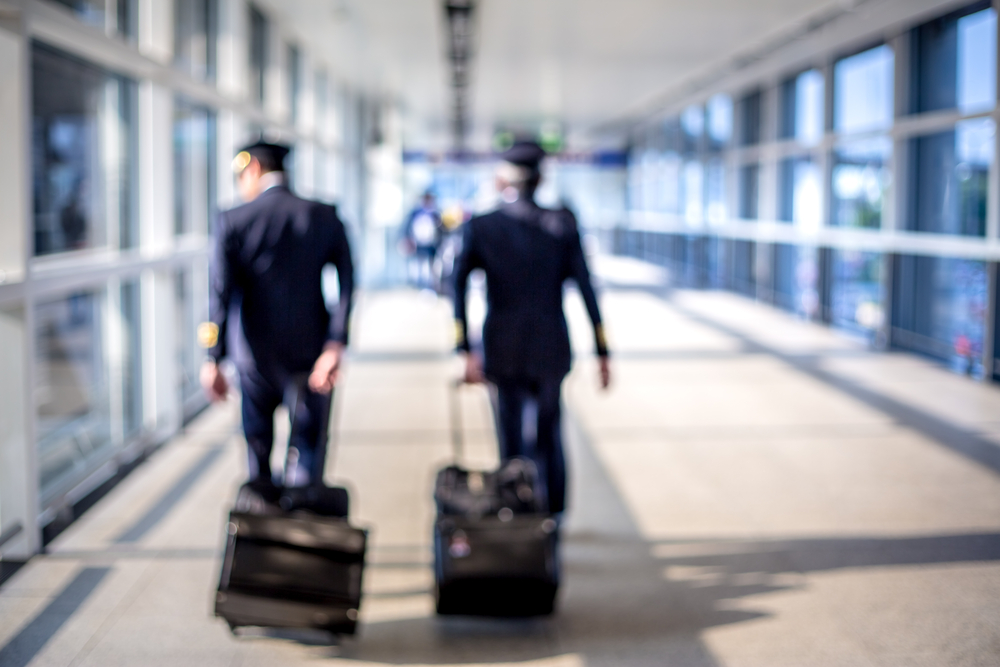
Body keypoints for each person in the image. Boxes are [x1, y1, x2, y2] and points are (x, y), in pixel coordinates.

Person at [452, 140, 610, 515]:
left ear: (504, 179)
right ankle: (551, 516)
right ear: (542, 178)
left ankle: (515, 510)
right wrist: (603, 350)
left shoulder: (483, 225)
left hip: (500, 347)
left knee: (508, 433)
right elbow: (587, 288)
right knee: (548, 433)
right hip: (550, 347)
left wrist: (464, 348)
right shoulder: (562, 223)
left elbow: (454, 286)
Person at [199, 141, 355, 489]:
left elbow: (219, 294)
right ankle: (302, 522)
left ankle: (264, 518)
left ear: (252, 169)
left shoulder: (232, 220)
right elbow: (347, 283)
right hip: (312, 353)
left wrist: (213, 357)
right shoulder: (322, 214)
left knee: (258, 450)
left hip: (253, 356)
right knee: (309, 448)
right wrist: (336, 343)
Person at [402, 191, 443, 290]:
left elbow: (441, 229)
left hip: (431, 245)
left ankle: (430, 287)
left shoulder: (435, 213)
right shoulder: (416, 213)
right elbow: (407, 227)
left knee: (430, 267)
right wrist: (407, 240)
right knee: (418, 266)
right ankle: (419, 286)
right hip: (418, 245)